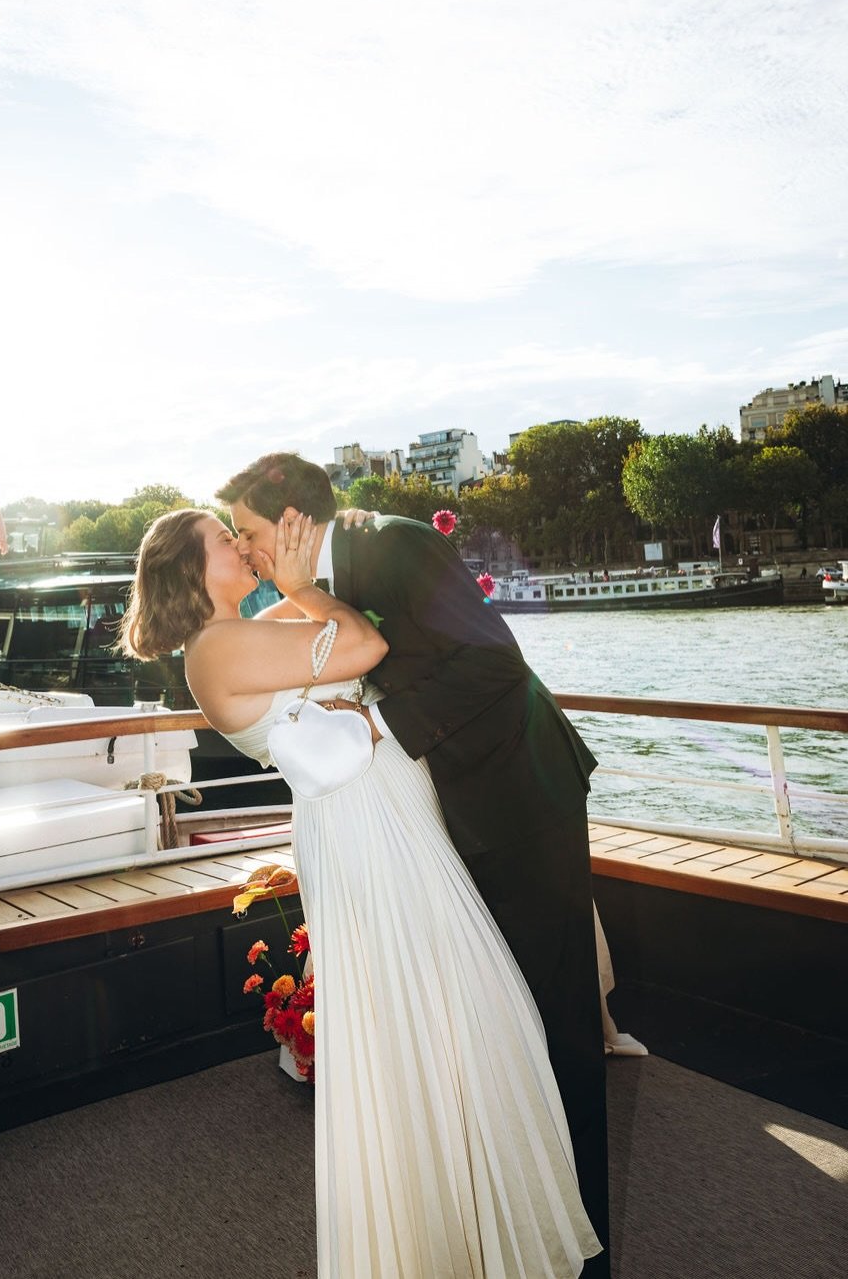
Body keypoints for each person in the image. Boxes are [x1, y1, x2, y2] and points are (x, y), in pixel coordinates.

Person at [119, 507, 601, 1279]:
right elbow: (365, 643)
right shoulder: (219, 648)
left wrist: (305, 584)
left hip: (384, 818)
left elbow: (321, 614)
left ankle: (471, 1226)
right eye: (223, 539)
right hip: (367, 835)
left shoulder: (239, 631)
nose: (240, 546)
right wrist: (306, 585)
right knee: (459, 1013)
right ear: (189, 568)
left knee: (449, 1016)